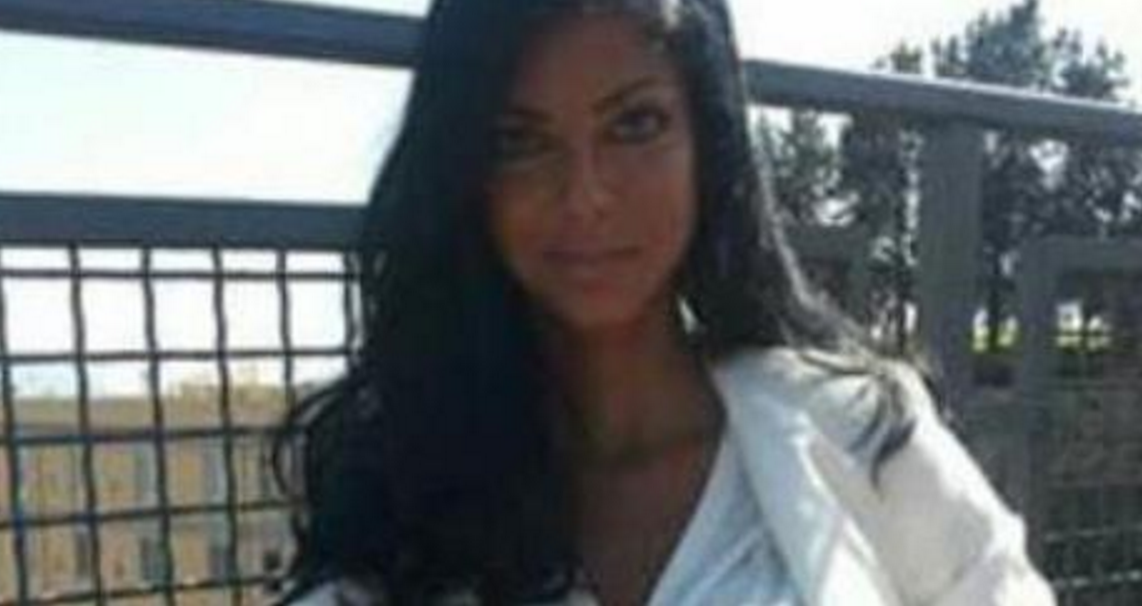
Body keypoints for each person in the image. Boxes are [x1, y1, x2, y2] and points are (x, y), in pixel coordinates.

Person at [271, 0, 1057, 604]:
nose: (586, 196)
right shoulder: (402, 490)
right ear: (465, 175)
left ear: (707, 143)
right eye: (520, 141)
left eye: (634, 125)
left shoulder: (861, 428)